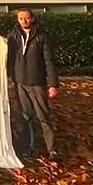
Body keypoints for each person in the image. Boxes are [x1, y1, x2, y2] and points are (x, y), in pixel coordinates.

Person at [6, 8, 60, 161]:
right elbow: (8, 59)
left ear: (33, 18)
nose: (24, 21)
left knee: (43, 116)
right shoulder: (12, 36)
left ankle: (52, 150)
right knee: (25, 117)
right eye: (21, 18)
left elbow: (49, 61)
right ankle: (28, 149)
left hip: (37, 83)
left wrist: (52, 84)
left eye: (27, 18)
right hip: (20, 83)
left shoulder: (41, 36)